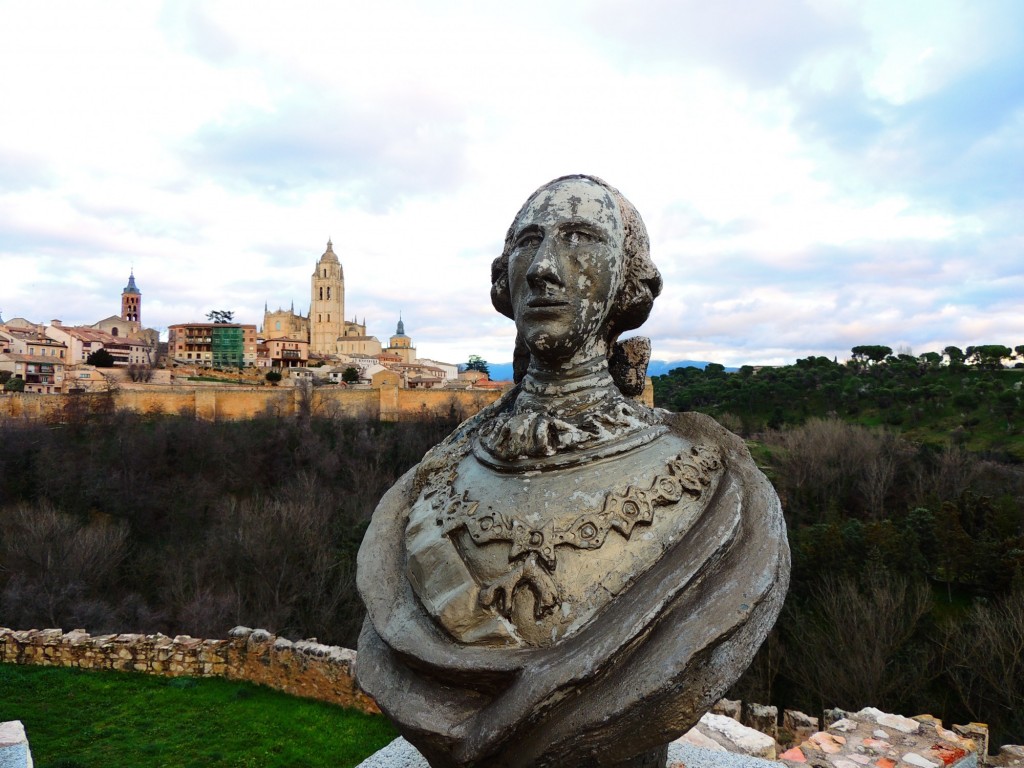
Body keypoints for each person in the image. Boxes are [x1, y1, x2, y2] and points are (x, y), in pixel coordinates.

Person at [357, 175, 789, 768]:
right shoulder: (436, 476)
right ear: (503, 280)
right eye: (527, 242)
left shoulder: (711, 480)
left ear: (630, 285)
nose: (543, 267)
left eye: (581, 238)